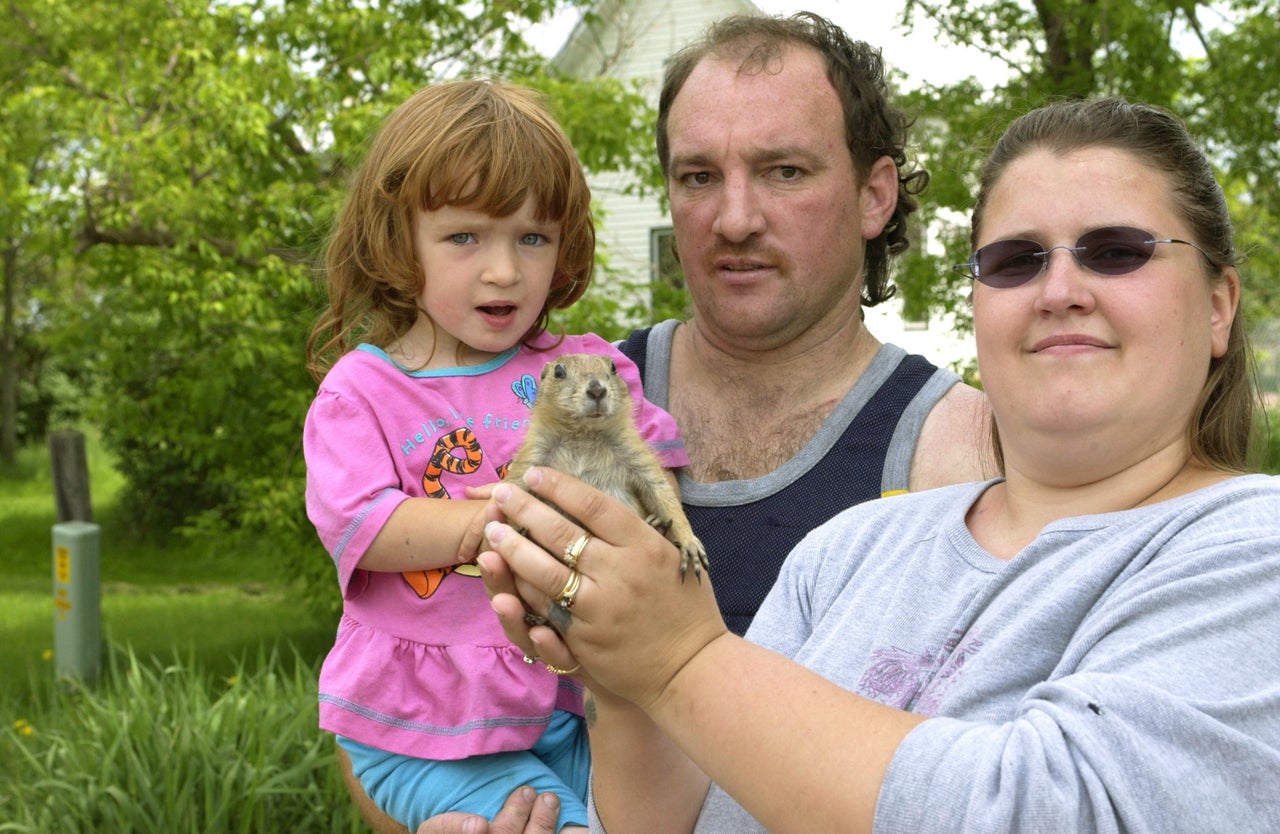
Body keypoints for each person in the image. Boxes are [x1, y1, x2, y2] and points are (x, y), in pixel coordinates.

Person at [477, 96, 1280, 833]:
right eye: (1015, 261)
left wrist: (682, 660)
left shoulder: (1250, 549)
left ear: (1217, 307)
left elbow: (1048, 812)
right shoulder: (848, 549)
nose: (1059, 289)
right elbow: (700, 818)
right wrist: (622, 682)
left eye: (1115, 251)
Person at [412, 10, 993, 834]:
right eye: (697, 178)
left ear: (875, 195)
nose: (734, 219)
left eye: (784, 171)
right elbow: (393, 680)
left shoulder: (959, 451)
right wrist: (440, 814)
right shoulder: (552, 401)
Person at [302, 79, 690, 834]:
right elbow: (365, 527)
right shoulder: (365, 391)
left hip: (569, 704)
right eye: (465, 237)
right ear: (396, 238)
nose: (505, 271)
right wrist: (495, 523)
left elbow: (653, 480)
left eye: (532, 237)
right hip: (422, 730)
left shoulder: (586, 367)